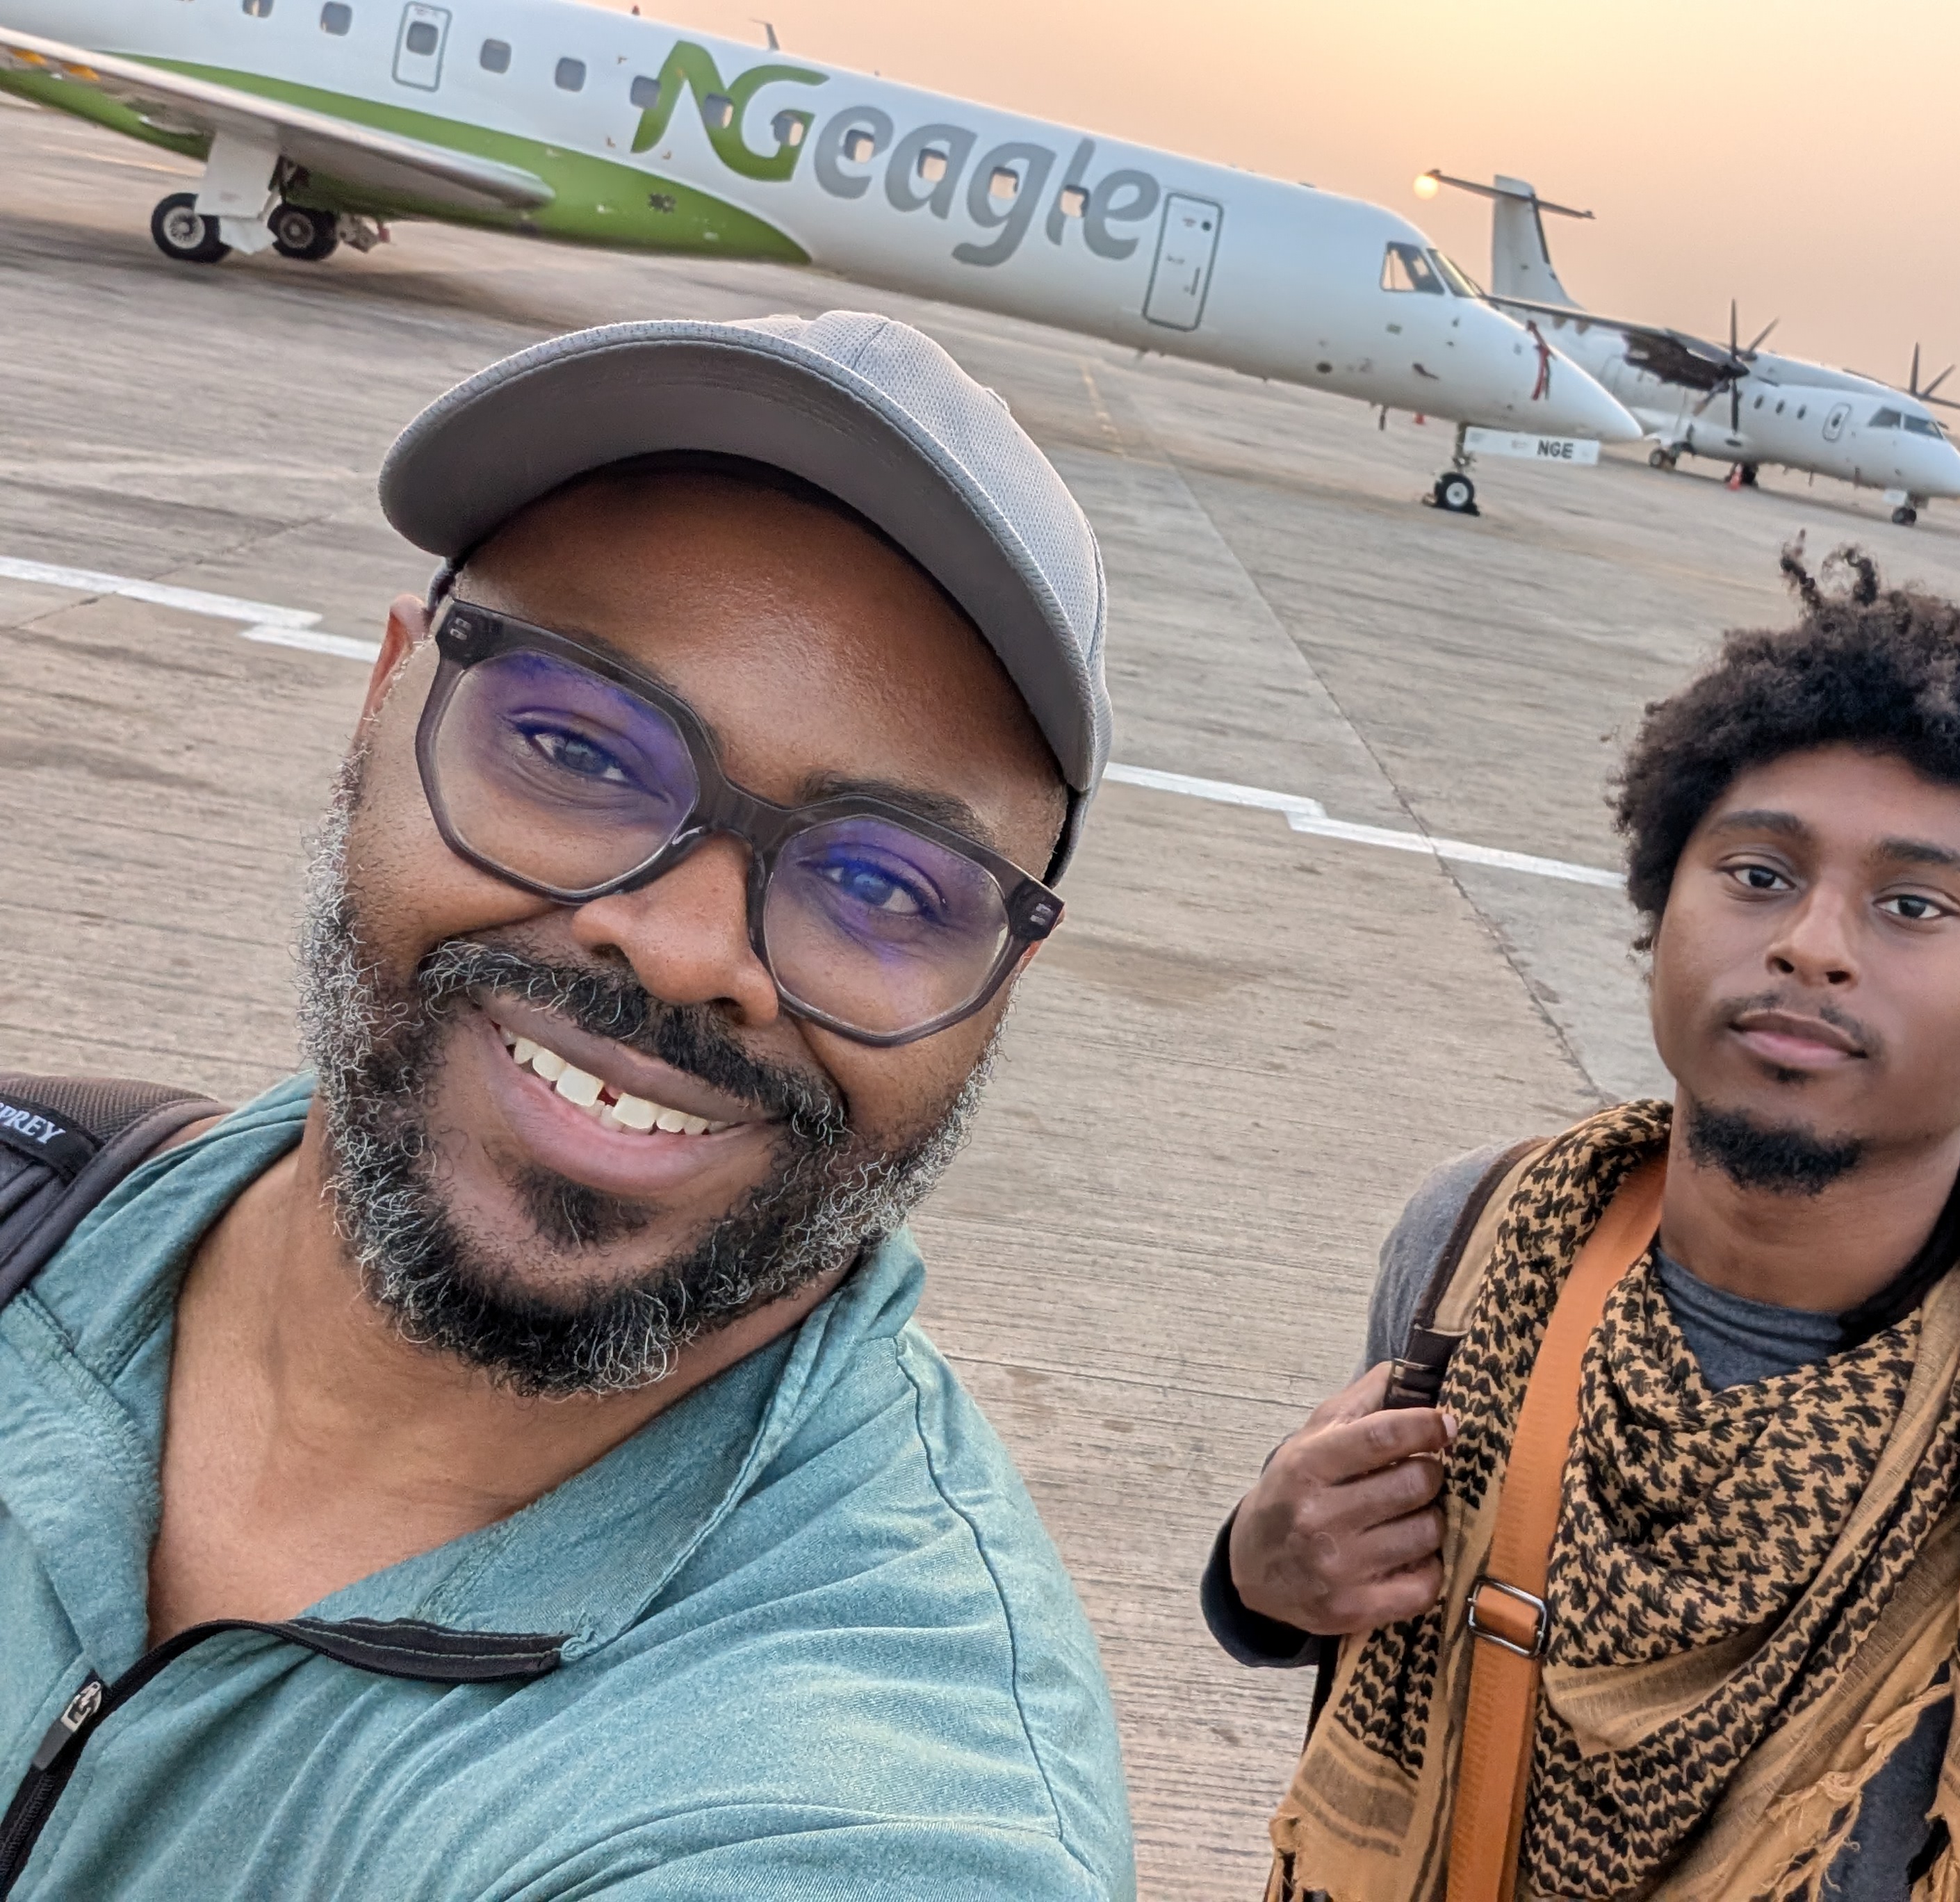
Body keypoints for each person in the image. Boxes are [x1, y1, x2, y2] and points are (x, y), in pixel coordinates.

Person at [0, 314, 1134, 1897]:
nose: (683, 950)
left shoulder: (873, 1813)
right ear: (383, 704)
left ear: (1004, 980)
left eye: (884, 884)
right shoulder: (35, 1215)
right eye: (577, 746)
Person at [1205, 551, 1960, 1901]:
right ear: (1661, 911)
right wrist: (1254, 1576)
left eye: (1913, 905)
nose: (1814, 945)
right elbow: (1358, 1636)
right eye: (1759, 873)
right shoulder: (1475, 1246)